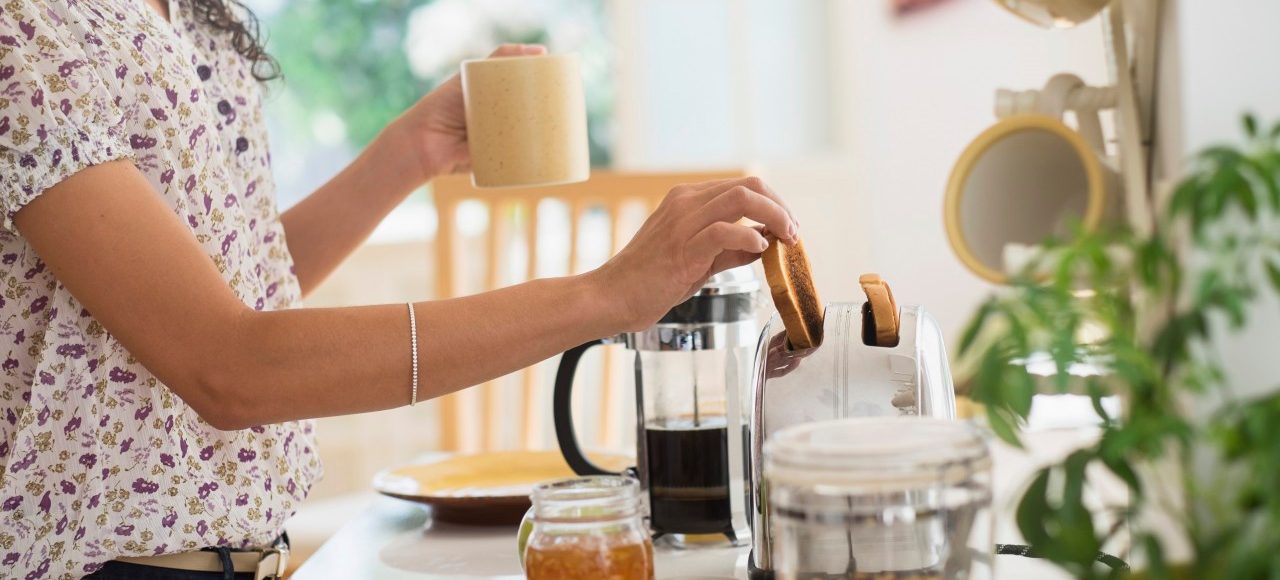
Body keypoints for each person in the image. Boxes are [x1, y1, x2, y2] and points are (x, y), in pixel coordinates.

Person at [0, 0, 797, 577]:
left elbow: (228, 281)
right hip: (106, 563)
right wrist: (610, 293)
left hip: (250, 552)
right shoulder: (27, 31)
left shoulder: (189, 17)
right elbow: (227, 364)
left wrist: (407, 154)